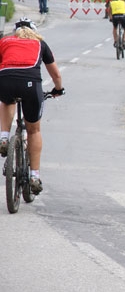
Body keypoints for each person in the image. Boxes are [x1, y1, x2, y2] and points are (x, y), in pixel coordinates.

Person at [0, 17, 64, 194]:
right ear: (34, 32)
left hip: (5, 80)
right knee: (34, 130)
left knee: (7, 100)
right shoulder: (40, 43)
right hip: (30, 84)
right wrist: (58, 90)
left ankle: (4, 138)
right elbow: (56, 75)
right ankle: (34, 176)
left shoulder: (4, 41)